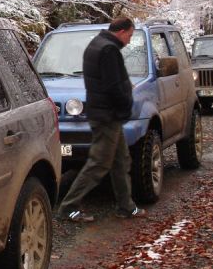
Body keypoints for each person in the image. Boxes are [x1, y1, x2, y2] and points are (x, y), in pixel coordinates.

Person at [58, 16, 147, 222]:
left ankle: (127, 206)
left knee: (120, 161)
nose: (130, 41)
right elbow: (113, 85)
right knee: (99, 163)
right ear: (122, 31)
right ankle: (68, 207)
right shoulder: (108, 50)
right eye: (130, 36)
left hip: (105, 114)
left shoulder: (97, 44)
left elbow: (107, 81)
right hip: (108, 115)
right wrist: (126, 105)